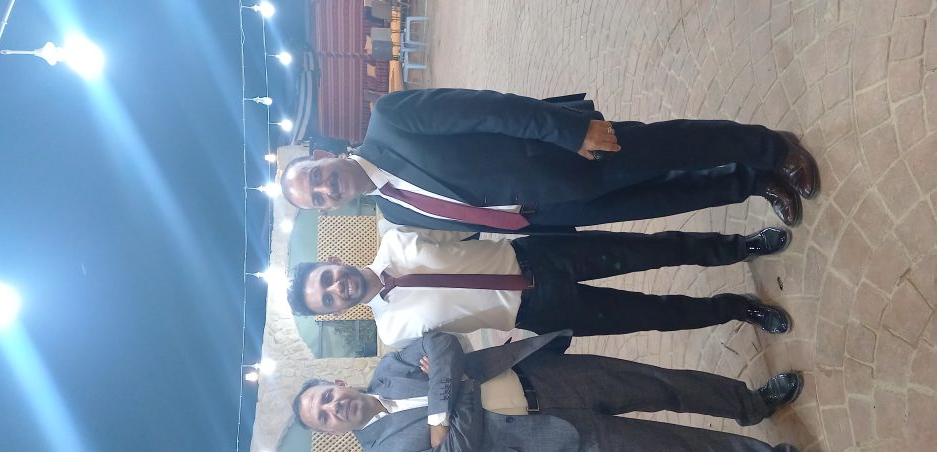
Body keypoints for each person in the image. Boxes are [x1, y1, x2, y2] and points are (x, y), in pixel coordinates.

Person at [292, 331, 858, 452]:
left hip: (547, 377)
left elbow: (441, 344)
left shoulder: (390, 366)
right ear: (330, 432)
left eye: (325, 398)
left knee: (664, 384)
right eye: (324, 418)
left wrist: (442, 413)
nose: (333, 409)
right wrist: (455, 386)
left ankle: (752, 404)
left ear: (336, 384)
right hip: (551, 446)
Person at [279, 89, 817, 233]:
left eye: (317, 177)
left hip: (561, 153)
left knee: (669, 148)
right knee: (665, 197)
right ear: (328, 209)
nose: (327, 188)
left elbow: (487, 109)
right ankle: (753, 182)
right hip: (554, 211)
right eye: (319, 198)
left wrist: (568, 129)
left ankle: (771, 148)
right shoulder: (394, 212)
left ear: (323, 156)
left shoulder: (390, 119)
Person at [286, 226, 793, 348]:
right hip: (538, 312)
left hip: (539, 254)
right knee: (651, 315)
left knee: (650, 250)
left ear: (333, 261)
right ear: (336, 312)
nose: (337, 288)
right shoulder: (394, 334)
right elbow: (453, 353)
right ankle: (738, 309)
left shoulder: (397, 236)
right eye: (328, 299)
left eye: (327, 278)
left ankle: (739, 247)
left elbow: (468, 223)